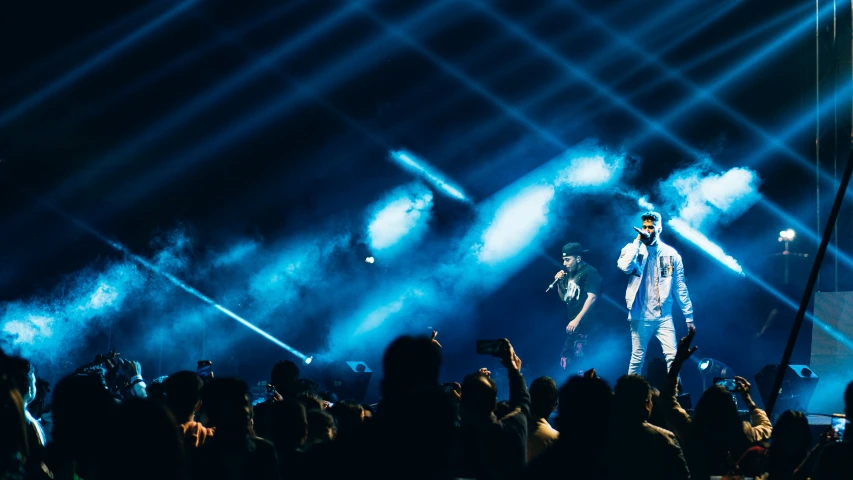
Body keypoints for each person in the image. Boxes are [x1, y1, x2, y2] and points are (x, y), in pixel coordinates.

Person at [617, 211, 694, 374]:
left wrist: (688, 316)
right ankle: (630, 395)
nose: (646, 230)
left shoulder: (672, 254)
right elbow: (624, 267)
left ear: (659, 228)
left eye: (650, 227)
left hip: (663, 316)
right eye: (644, 227)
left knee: (673, 357)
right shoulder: (633, 249)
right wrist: (637, 241)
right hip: (640, 315)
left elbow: (680, 287)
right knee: (637, 358)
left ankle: (674, 394)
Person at [553, 242, 602, 370]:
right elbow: (565, 298)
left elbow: (592, 297)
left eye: (567, 260)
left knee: (583, 363)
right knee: (567, 361)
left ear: (578, 258)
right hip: (574, 326)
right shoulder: (571, 273)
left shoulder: (590, 272)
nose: (565, 264)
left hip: (586, 325)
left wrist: (577, 320)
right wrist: (559, 283)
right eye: (564, 260)